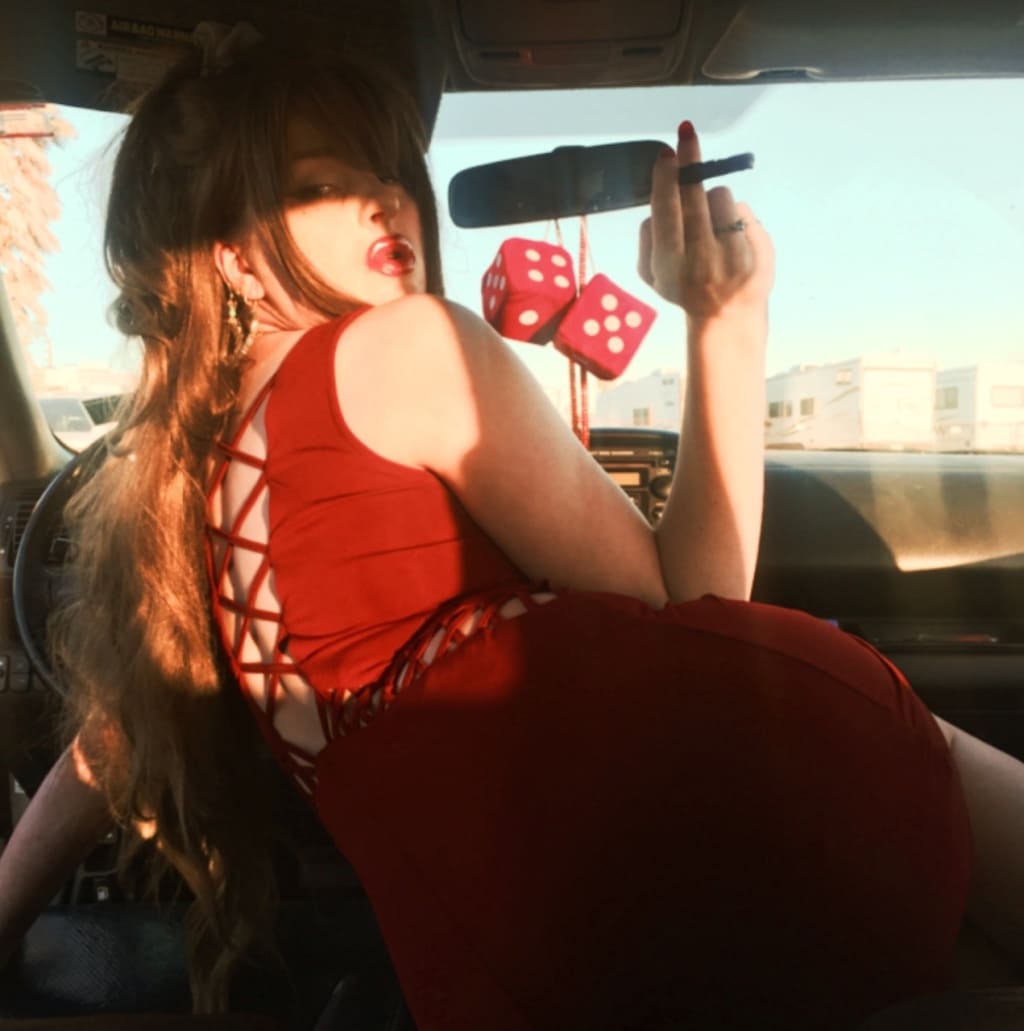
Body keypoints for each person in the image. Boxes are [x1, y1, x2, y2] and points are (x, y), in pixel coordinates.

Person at [0, 35, 1020, 1031]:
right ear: (233, 259)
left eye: (385, 171)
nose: (384, 199)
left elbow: (116, 736)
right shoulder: (406, 345)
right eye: (319, 184)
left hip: (504, 962)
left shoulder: (188, 484)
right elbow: (698, 599)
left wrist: (7, 906)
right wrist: (725, 317)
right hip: (751, 814)